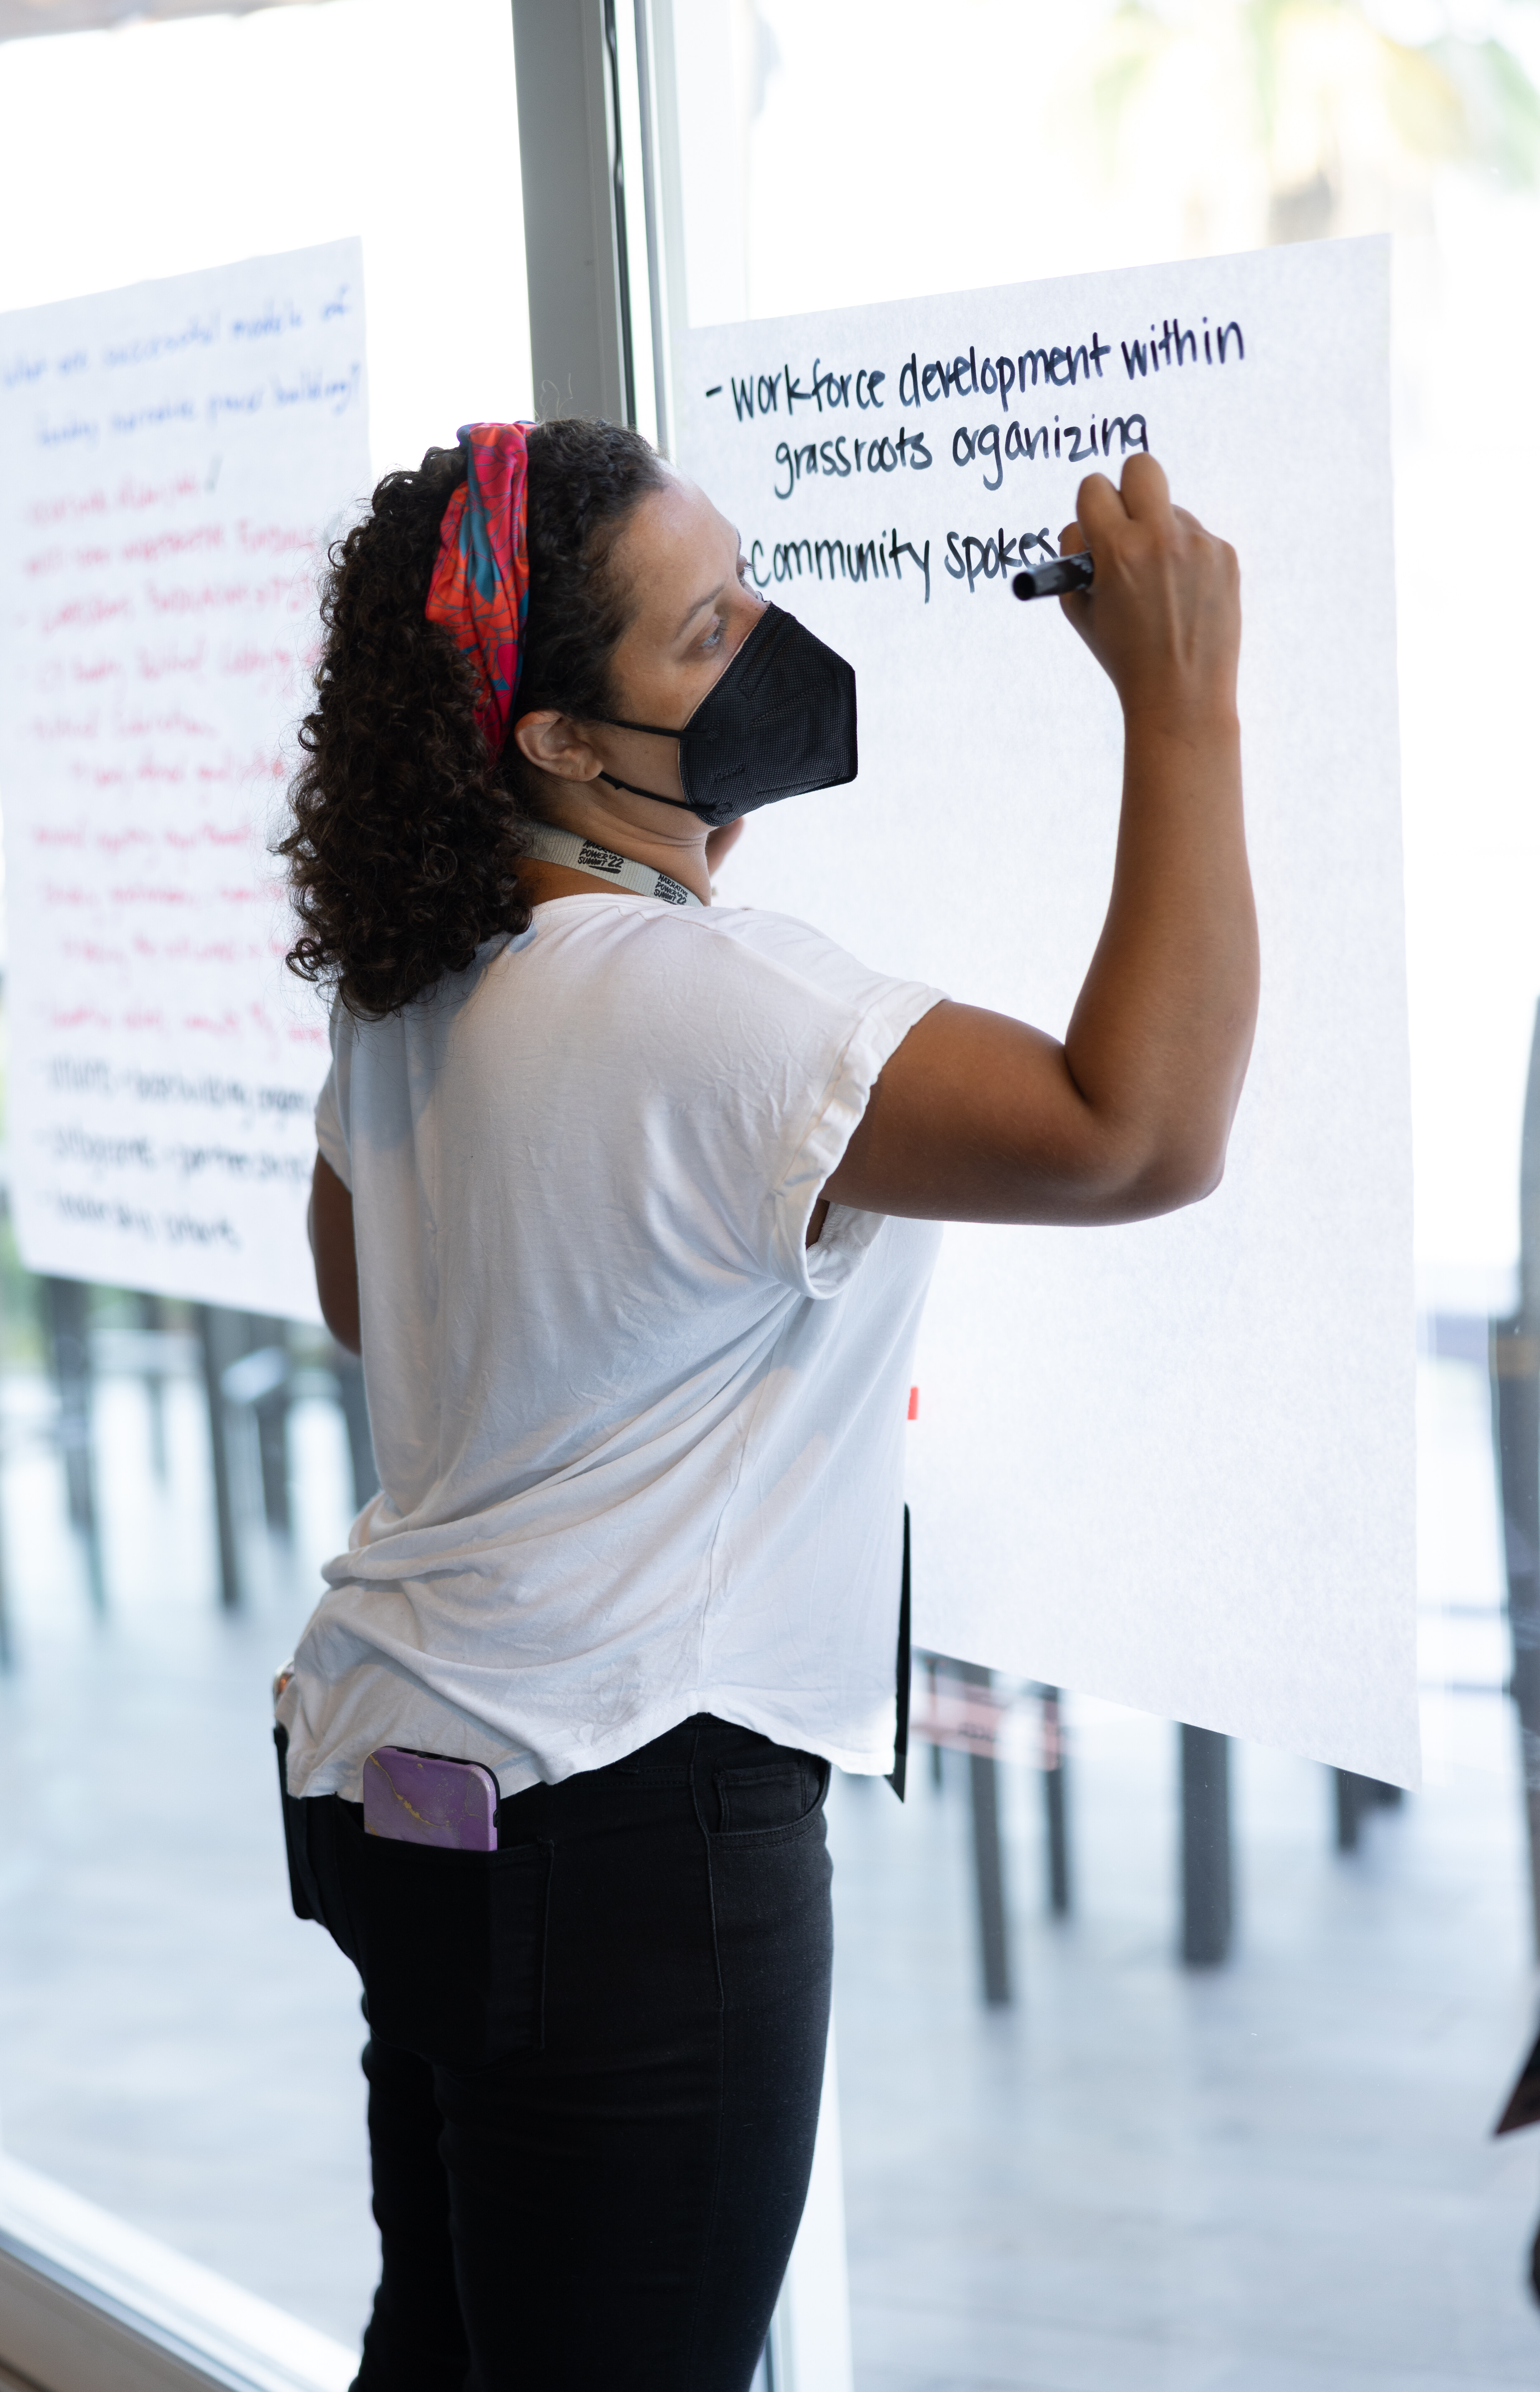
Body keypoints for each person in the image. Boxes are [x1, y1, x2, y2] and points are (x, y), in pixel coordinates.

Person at [273, 416, 1254, 2392]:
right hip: (629, 1835)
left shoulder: (413, 987)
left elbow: (381, 1308)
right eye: (708, 635)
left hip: (407, 1789)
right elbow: (1136, 1130)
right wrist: (1187, 708)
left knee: (449, 2356)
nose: (765, 644)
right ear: (558, 736)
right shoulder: (712, 1005)